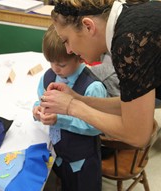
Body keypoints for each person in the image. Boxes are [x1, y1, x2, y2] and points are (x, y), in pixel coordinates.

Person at [40, 0, 161, 147]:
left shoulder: (128, 42)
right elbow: (129, 107)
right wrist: (78, 99)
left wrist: (71, 106)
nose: (68, 50)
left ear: (88, 26)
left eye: (66, 40)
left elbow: (137, 135)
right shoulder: (127, 20)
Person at [33, 24, 107, 191]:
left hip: (83, 161)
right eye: (51, 62)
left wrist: (60, 120)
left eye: (62, 64)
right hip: (59, 155)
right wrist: (38, 108)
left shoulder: (92, 87)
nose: (55, 68)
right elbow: (41, 100)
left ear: (80, 57)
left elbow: (95, 126)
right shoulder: (49, 76)